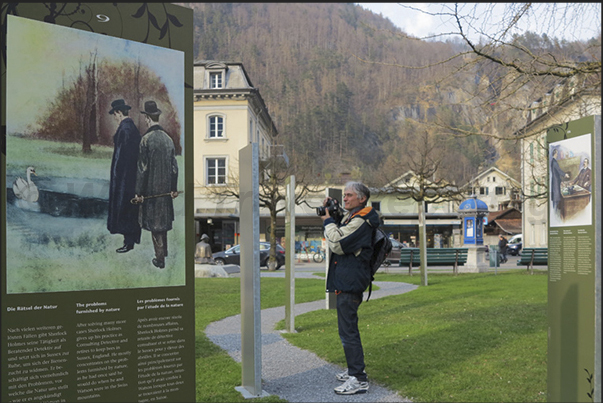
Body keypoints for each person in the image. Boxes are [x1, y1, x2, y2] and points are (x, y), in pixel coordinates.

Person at [320, 181, 379, 395]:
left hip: (350, 282)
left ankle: (358, 379)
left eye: (349, 195)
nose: (345, 199)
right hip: (346, 280)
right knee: (346, 330)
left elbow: (337, 243)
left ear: (362, 198)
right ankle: (353, 370)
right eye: (344, 195)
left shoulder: (362, 221)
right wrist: (332, 213)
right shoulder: (353, 217)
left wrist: (327, 220)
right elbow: (339, 231)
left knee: (348, 332)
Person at [133, 101, 179, 269]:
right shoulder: (168, 140)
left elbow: (142, 169)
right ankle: (164, 252)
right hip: (166, 192)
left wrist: (138, 192)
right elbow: (174, 168)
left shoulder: (146, 140)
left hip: (152, 192)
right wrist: (173, 188)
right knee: (162, 223)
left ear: (147, 118)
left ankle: (160, 259)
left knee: (155, 226)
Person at [107, 99, 141, 253]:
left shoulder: (125, 129)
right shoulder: (129, 127)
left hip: (125, 178)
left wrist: (117, 174)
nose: (114, 117)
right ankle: (130, 240)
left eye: (115, 114)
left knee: (126, 207)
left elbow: (123, 156)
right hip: (129, 176)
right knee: (128, 208)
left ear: (119, 113)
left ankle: (129, 242)